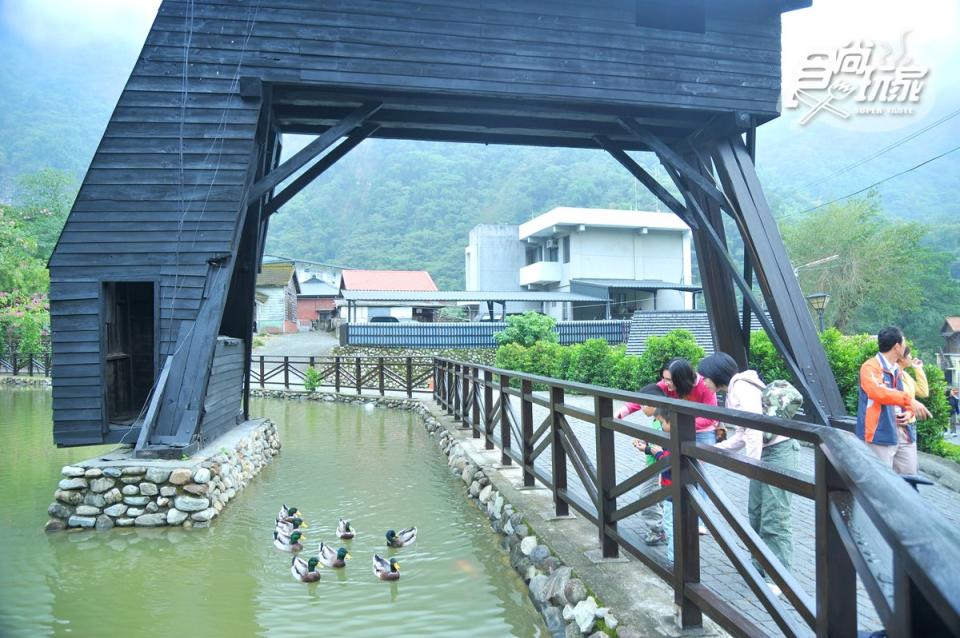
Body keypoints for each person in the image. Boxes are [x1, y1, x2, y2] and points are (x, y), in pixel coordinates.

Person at [698, 352, 800, 582]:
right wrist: (716, 449)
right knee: (757, 513)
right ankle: (760, 567)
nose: (703, 382)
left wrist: (751, 466)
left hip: (778, 452)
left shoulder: (742, 388)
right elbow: (743, 435)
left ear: (716, 375)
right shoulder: (735, 390)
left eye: (705, 377)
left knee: (774, 516)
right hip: (765, 453)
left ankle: (779, 578)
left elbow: (754, 428)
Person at [856, 326, 931, 473]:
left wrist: (909, 412)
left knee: (910, 478)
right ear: (897, 347)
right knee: (882, 483)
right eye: (904, 343)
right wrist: (909, 401)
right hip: (880, 433)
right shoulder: (870, 367)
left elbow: (903, 397)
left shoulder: (897, 370)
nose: (905, 347)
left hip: (904, 431)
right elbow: (877, 391)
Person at [617, 384, 670, 547]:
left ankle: (659, 531)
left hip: (658, 468)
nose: (640, 408)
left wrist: (649, 448)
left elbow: (664, 449)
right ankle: (662, 527)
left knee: (647, 498)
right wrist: (645, 445)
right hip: (654, 465)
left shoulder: (665, 423)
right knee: (656, 498)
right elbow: (656, 444)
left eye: (642, 404)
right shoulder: (657, 421)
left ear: (653, 404)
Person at [644, 407, 674, 563]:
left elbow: (669, 460)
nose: (660, 426)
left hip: (672, 491)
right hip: (669, 490)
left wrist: (656, 453)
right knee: (671, 524)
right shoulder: (670, 436)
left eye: (662, 422)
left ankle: (674, 561)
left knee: (671, 526)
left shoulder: (673, 439)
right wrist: (648, 449)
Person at [895, 345, 928, 475]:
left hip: (911, 422)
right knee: (906, 467)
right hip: (902, 424)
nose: (911, 357)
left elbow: (923, 392)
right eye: (909, 355)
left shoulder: (906, 376)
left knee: (911, 464)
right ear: (902, 358)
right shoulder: (893, 375)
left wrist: (918, 369)